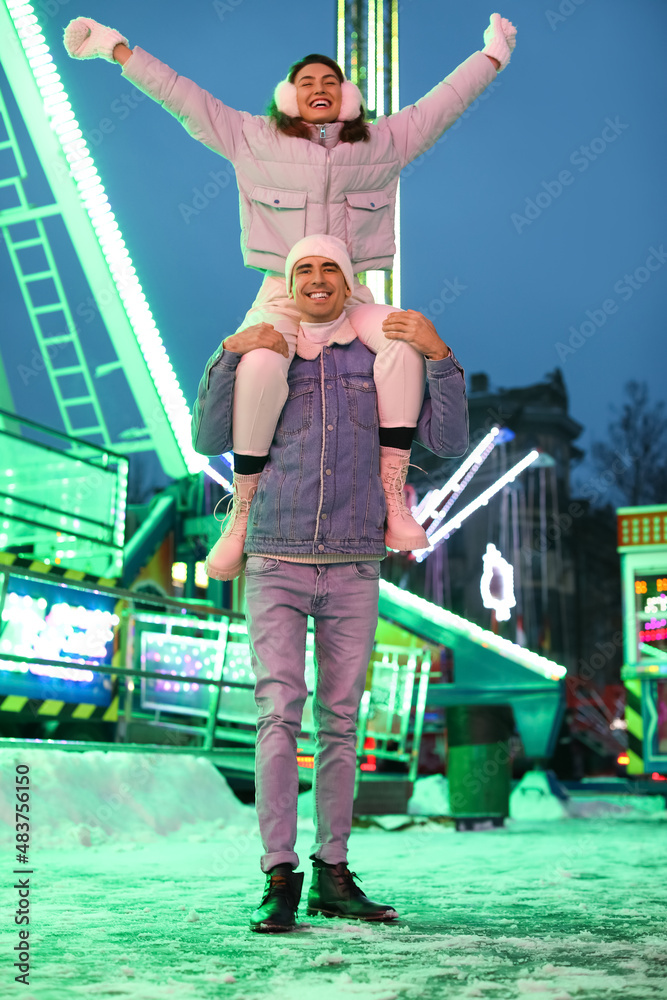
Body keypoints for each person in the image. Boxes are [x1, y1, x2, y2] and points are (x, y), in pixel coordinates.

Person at [63, 13, 516, 575]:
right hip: (282, 292)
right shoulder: (253, 138)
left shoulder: (382, 144)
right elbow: (185, 99)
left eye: (330, 82)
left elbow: (443, 104)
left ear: (347, 98)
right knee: (257, 363)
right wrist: (118, 50)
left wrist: (492, 55)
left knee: (400, 339)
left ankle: (393, 494)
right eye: (307, 84)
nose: (319, 89)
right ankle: (244, 509)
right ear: (290, 98)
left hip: (352, 294)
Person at [191, 234, 469, 931]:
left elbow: (450, 441)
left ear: (348, 283)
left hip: (352, 561)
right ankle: (277, 874)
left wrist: (440, 356)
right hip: (275, 558)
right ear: (289, 283)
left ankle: (332, 873)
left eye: (330, 270)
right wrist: (228, 353)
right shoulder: (264, 350)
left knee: (341, 724)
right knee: (278, 715)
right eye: (304, 269)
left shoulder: (382, 357)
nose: (317, 279)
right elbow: (206, 436)